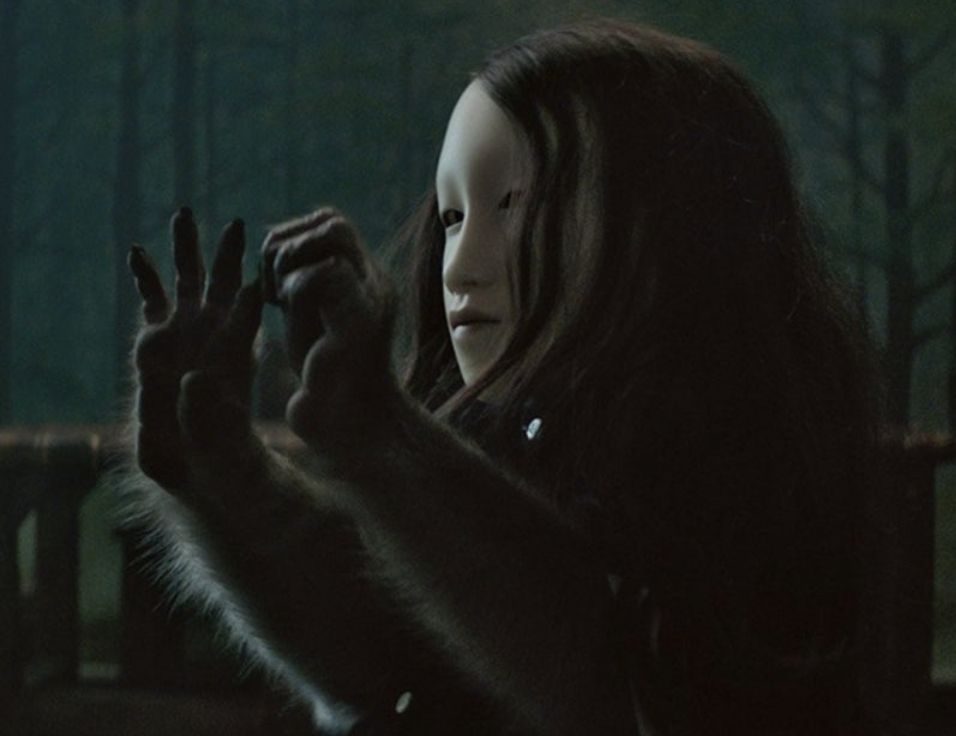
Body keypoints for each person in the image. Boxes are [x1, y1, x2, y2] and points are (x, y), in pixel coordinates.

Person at [124, 18, 878, 736]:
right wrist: (224, 473)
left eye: (515, 204)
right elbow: (396, 655)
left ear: (673, 221)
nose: (459, 266)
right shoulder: (499, 444)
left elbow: (616, 689)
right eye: (452, 217)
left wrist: (383, 436)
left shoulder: (750, 477)